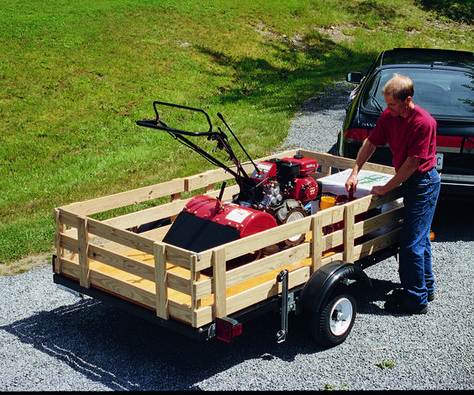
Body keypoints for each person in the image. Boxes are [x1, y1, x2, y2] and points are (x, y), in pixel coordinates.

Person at [345, 74, 440, 314]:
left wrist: (387, 188)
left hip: (423, 184)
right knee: (419, 239)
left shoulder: (424, 123)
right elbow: (371, 143)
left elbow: (412, 163)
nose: (387, 109)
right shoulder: (390, 116)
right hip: (411, 181)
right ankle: (425, 288)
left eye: (392, 104)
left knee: (410, 244)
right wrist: (355, 171)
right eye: (386, 103)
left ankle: (415, 301)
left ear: (407, 100)